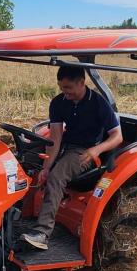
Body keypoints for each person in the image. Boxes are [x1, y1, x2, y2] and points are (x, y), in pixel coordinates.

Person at [21, 65, 122, 250]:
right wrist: (45, 166)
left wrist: (96, 150)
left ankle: (42, 233)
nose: (64, 92)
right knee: (27, 163)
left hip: (85, 152)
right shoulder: (59, 103)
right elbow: (56, 138)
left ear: (81, 83)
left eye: (68, 88)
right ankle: (19, 218)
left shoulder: (98, 103)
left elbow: (117, 136)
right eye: (61, 88)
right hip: (65, 147)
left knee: (57, 176)